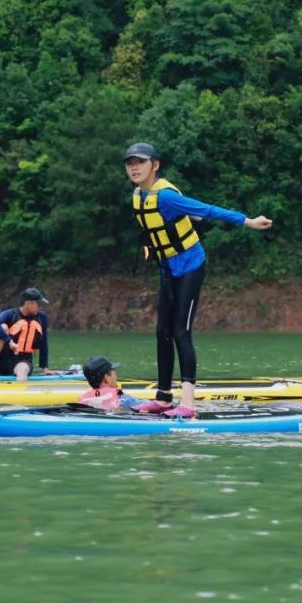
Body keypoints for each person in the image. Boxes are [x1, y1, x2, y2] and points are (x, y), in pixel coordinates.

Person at [124, 142, 273, 418]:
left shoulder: (166, 196)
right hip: (168, 269)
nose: (134, 167)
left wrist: (248, 222)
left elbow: (207, 210)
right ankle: (164, 398)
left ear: (154, 165)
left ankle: (189, 404)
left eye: (140, 162)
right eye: (130, 162)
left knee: (181, 331)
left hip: (191, 265)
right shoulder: (138, 196)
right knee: (162, 332)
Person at [0, 287, 55, 381]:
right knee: (2, 327)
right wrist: (9, 341)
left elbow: (44, 343)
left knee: (23, 369)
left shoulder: (41, 317)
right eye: (38, 304)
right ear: (28, 303)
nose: (41, 307)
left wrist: (45, 368)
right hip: (3, 360)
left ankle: (18, 392)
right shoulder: (11, 314)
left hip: (23, 360)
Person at [78, 356, 173, 414]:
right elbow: (158, 406)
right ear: (107, 377)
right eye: (113, 371)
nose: (116, 376)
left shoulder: (83, 401)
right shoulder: (124, 400)